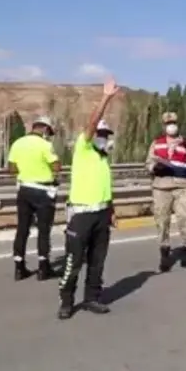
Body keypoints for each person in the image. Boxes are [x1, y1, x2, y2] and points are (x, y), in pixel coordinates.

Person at [57, 78, 119, 320]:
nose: (103, 137)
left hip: (102, 214)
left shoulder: (103, 158)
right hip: (81, 214)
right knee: (74, 261)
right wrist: (106, 98)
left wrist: (111, 210)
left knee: (97, 260)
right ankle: (66, 301)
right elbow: (92, 123)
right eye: (100, 134)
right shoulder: (83, 149)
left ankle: (92, 297)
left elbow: (105, 187)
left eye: (106, 135)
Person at [7, 116, 61, 281]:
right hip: (43, 191)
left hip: (24, 189)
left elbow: (11, 168)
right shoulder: (45, 145)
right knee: (44, 229)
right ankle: (43, 268)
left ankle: (19, 267)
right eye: (48, 132)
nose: (48, 136)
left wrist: (27, 171)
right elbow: (56, 166)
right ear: (44, 129)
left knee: (22, 228)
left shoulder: (18, 143)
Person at [146, 112, 186, 272]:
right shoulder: (157, 143)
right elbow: (148, 163)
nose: (171, 126)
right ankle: (165, 254)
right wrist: (155, 168)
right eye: (168, 123)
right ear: (163, 126)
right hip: (161, 187)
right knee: (162, 221)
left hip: (181, 187)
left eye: (173, 122)